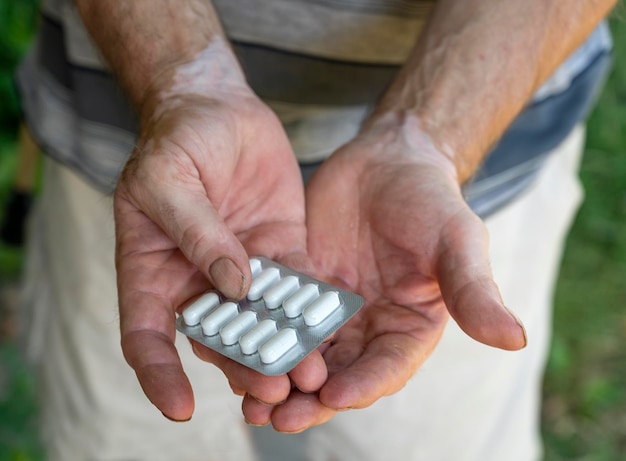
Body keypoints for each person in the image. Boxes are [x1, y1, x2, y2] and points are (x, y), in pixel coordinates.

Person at [15, 0, 615, 460]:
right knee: (128, 442)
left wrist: (431, 136)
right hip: (156, 195)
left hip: (458, 182)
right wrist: (178, 80)